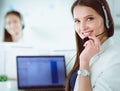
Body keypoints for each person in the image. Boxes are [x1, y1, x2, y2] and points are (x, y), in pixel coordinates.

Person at [66, 0, 120, 91]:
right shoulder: (89, 51)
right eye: (77, 21)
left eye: (89, 19)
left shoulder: (116, 60)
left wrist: (84, 62)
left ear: (106, 20)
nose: (82, 27)